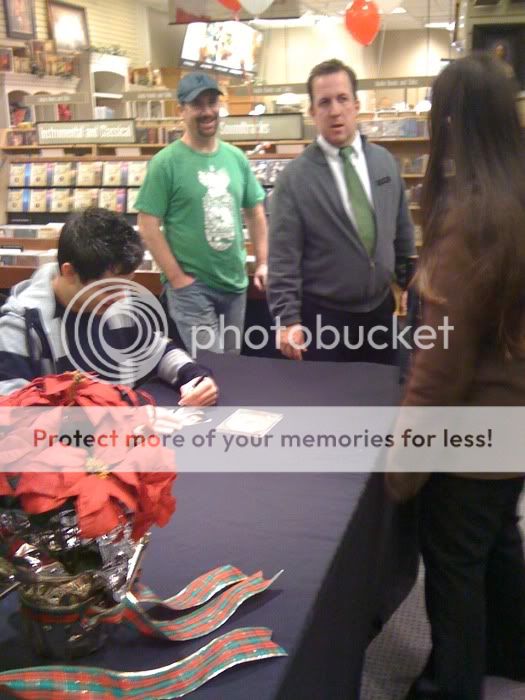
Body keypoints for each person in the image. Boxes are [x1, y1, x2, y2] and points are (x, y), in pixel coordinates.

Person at [390, 55, 525, 700]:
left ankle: (454, 682)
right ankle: (511, 653)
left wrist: (403, 464)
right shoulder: (516, 196)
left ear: (452, 123)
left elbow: (439, 368)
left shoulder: (469, 218)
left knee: (453, 564)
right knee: (497, 540)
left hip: (474, 435)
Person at [267, 58, 415, 364]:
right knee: (331, 407)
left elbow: (401, 229)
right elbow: (283, 257)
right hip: (323, 320)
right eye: (324, 102)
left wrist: (409, 282)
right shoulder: (294, 179)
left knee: (383, 400)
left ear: (356, 105)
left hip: (379, 312)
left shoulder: (384, 163)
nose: (335, 110)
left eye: (342, 99)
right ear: (312, 112)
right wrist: (287, 320)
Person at [0, 208, 218, 406]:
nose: (121, 296)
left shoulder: (117, 304)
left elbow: (157, 350)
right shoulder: (19, 327)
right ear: (69, 272)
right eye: (109, 288)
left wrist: (193, 376)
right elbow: (14, 415)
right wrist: (120, 417)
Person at [136, 72, 268, 356]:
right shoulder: (165, 163)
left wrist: (263, 263)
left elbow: (255, 213)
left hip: (235, 285)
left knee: (230, 366)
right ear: (181, 110)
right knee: (214, 366)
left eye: (212, 103)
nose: (207, 112)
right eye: (197, 105)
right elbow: (147, 226)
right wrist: (176, 277)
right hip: (192, 289)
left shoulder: (236, 158)